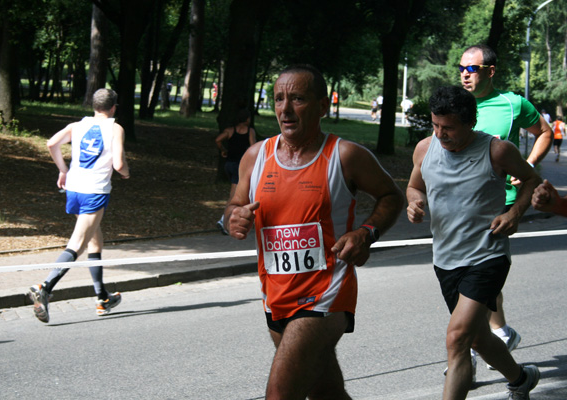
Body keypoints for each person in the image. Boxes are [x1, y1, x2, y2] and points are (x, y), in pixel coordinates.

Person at [225, 64, 404, 399]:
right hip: (274, 293)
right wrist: (232, 218)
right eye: (278, 99)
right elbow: (233, 205)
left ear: (322, 107)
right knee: (326, 394)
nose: (285, 109)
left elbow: (392, 195)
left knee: (280, 394)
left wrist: (366, 232)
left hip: (326, 293)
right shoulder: (255, 157)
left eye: (297, 99)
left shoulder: (345, 155)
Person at [407, 86, 542, 400]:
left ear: (470, 122)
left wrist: (515, 214)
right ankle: (520, 378)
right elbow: (415, 187)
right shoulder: (425, 149)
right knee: (478, 337)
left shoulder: (497, 151)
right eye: (436, 125)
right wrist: (414, 203)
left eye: (449, 128)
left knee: (457, 339)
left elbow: (532, 180)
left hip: (487, 256)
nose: (441, 134)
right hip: (444, 259)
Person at [459, 44, 552, 372]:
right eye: (461, 69)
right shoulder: (458, 105)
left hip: (501, 204)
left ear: (490, 71)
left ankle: (467, 350)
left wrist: (527, 163)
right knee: (479, 276)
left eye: (472, 69)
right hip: (462, 204)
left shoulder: (512, 103)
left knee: (474, 277)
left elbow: (544, 132)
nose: (465, 75)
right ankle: (500, 331)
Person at [27, 88, 130, 323]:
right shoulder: (115, 128)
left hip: (73, 189)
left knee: (95, 240)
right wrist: (126, 174)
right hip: (94, 191)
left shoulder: (77, 126)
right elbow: (119, 164)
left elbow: (52, 143)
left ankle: (102, 297)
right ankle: (45, 287)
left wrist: (63, 170)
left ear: (93, 106)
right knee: (77, 244)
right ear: (114, 107)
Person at [215, 109, 256, 234]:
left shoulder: (231, 130)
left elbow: (218, 139)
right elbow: (253, 147)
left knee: (238, 194)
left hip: (228, 165)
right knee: (233, 197)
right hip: (240, 167)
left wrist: (223, 149)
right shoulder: (250, 131)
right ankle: (224, 220)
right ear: (247, 119)